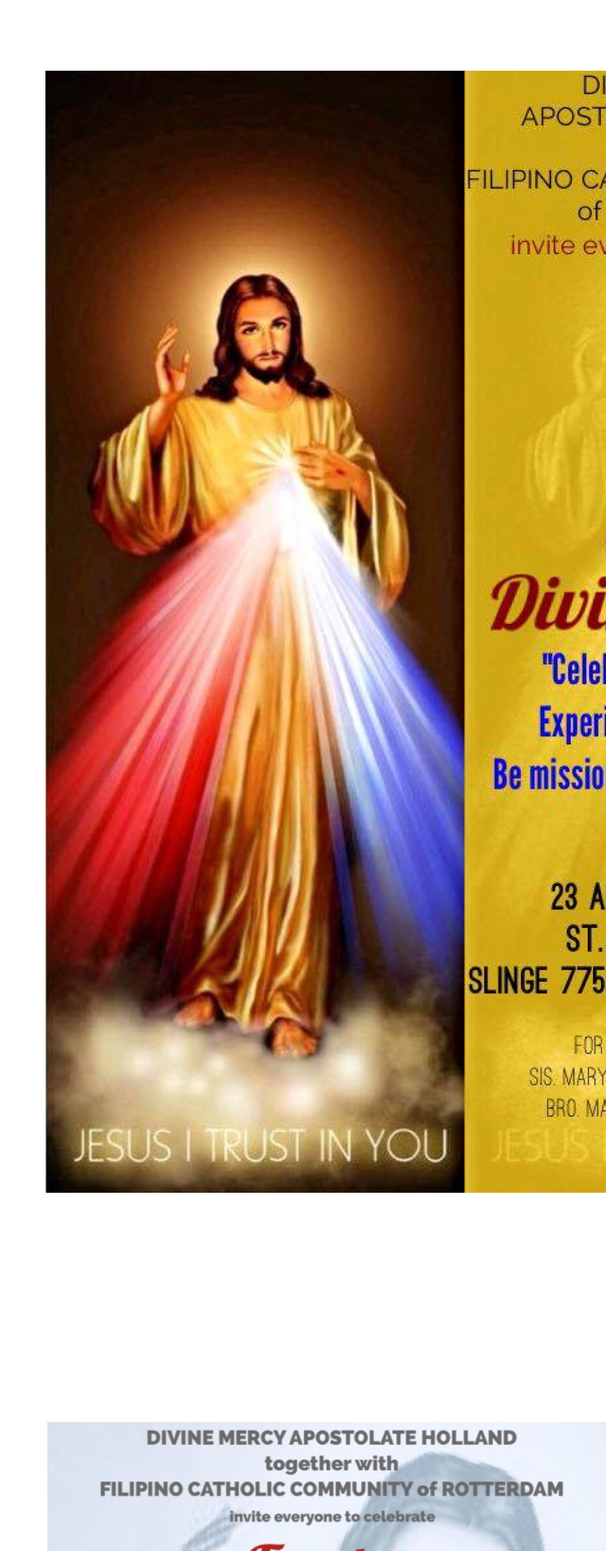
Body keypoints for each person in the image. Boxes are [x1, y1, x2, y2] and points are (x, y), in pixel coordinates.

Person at [59, 276, 436, 1055]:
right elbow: (131, 506)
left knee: (296, 812)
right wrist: (163, 407)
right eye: (253, 327)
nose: (270, 341)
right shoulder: (199, 417)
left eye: (282, 325)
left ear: (296, 331)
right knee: (224, 809)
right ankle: (210, 975)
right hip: (225, 636)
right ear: (230, 335)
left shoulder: (328, 413)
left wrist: (360, 483)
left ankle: (291, 993)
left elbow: (382, 530)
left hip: (305, 630)